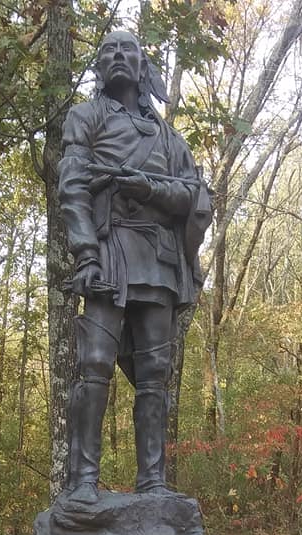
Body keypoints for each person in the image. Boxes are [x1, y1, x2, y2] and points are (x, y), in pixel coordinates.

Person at [58, 29, 211, 505]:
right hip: (107, 250)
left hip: (161, 259)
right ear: (99, 67)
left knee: (155, 371)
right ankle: (83, 481)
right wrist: (85, 251)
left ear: (144, 68)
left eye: (129, 51)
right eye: (109, 51)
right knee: (95, 364)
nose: (119, 56)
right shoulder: (84, 117)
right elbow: (72, 187)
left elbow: (194, 195)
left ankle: (153, 483)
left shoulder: (169, 137)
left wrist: (146, 186)